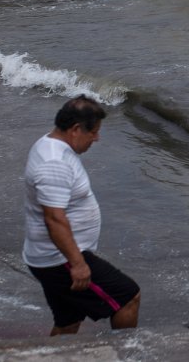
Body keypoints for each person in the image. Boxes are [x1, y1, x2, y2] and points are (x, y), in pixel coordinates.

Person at [23, 95, 141, 336]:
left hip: (50, 256)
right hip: (59, 259)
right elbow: (54, 218)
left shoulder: (49, 144)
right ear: (76, 129)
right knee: (128, 297)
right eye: (94, 132)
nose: (96, 138)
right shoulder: (54, 163)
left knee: (68, 321)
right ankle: (125, 353)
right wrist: (78, 264)